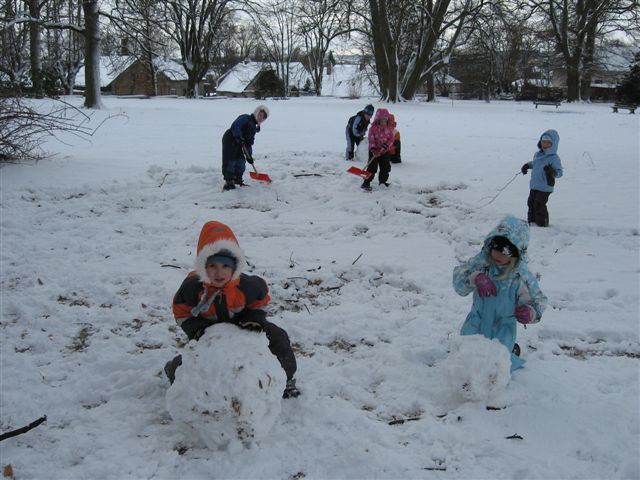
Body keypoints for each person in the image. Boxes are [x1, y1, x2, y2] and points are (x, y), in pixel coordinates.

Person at [164, 220, 301, 399]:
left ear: (235, 266)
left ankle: (284, 378)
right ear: (203, 266)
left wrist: (253, 319)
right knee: (199, 359)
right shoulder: (192, 288)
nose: (219, 272)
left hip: (243, 326)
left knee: (277, 336)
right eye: (212, 266)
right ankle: (175, 370)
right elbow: (181, 311)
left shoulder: (247, 286)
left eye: (225, 266)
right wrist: (197, 330)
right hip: (208, 332)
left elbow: (260, 301)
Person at [452, 215, 547, 372]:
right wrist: (475, 277)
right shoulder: (482, 264)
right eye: (495, 247)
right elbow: (459, 281)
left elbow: (538, 301)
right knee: (464, 356)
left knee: (496, 365)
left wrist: (530, 312)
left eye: (505, 251)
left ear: (516, 252)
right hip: (476, 321)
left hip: (503, 328)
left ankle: (510, 353)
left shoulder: (521, 277)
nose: (498, 254)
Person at [521, 129, 563, 227]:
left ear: (553, 144)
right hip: (535, 184)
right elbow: (535, 164)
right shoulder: (538, 154)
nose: (545, 144)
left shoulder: (554, 158)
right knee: (531, 202)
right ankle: (531, 222)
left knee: (539, 204)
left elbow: (559, 173)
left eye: (548, 142)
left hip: (545, 186)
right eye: (543, 141)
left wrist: (552, 172)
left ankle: (542, 224)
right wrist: (527, 165)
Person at [221, 105, 269, 191]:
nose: (261, 118)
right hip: (230, 139)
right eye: (260, 115)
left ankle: (237, 179)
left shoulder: (253, 128)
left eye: (263, 117)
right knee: (230, 161)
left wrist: (249, 156)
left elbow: (249, 143)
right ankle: (229, 182)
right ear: (256, 113)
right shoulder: (246, 118)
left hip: (239, 143)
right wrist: (238, 136)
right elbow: (235, 125)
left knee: (241, 161)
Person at [361, 108, 395, 191]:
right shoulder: (373, 129)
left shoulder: (389, 129)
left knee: (385, 167)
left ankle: (382, 182)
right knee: (372, 168)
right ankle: (366, 183)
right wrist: (373, 149)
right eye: (381, 120)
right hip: (374, 151)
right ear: (377, 120)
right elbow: (371, 139)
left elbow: (391, 139)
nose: (383, 122)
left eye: (385, 120)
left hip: (384, 151)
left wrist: (385, 147)